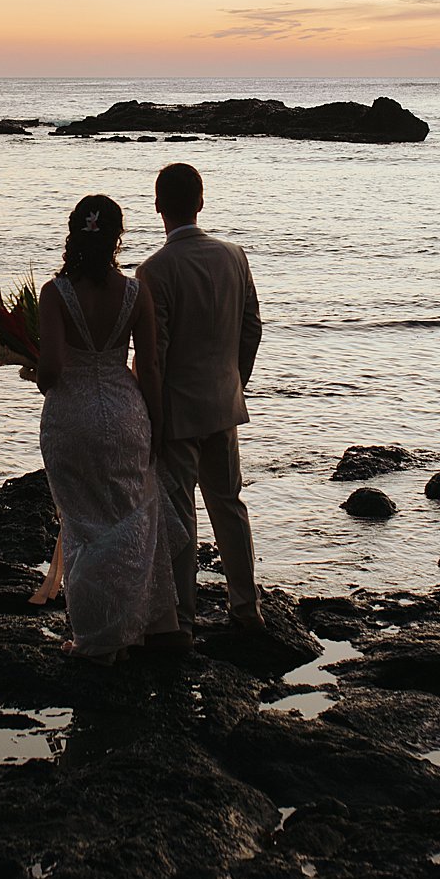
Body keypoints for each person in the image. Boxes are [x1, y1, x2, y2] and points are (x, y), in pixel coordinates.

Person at [31, 194, 179, 659]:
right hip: (125, 414)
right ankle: (136, 625)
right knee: (129, 520)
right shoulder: (136, 292)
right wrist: (154, 423)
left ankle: (96, 638)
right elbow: (149, 367)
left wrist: (37, 374)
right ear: (117, 237)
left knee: (83, 526)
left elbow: (52, 367)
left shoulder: (56, 293)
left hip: (71, 419)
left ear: (74, 233)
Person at [137, 163, 263, 636]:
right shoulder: (234, 255)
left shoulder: (154, 270)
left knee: (181, 512)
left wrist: (150, 413)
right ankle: (246, 607)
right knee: (228, 505)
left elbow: (156, 352)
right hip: (224, 402)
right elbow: (252, 327)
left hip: (177, 411)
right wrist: (237, 380)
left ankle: (184, 618)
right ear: (201, 202)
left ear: (157, 207)